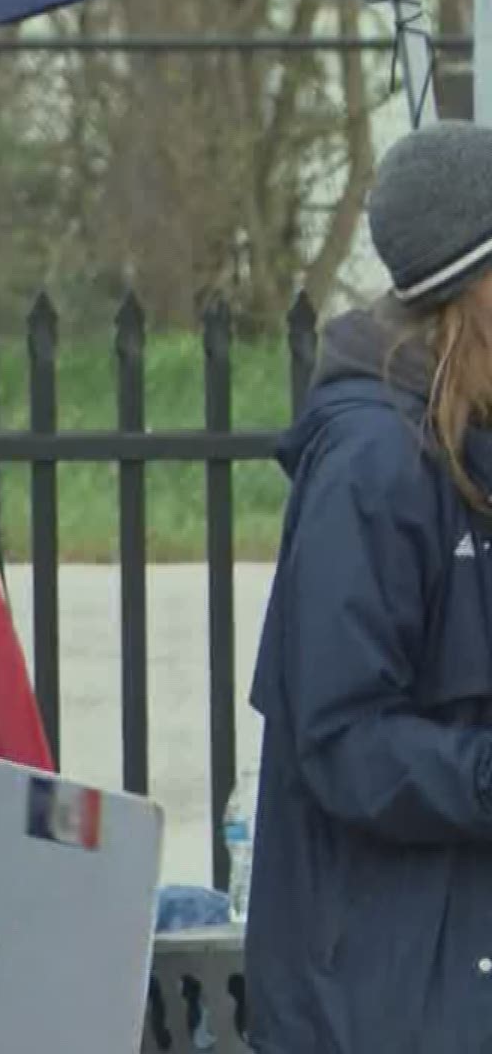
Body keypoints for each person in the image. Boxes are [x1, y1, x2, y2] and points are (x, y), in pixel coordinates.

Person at [244, 120, 492, 1052]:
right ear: (471, 287)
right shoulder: (373, 462)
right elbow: (343, 739)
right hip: (377, 1003)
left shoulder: (470, 444)